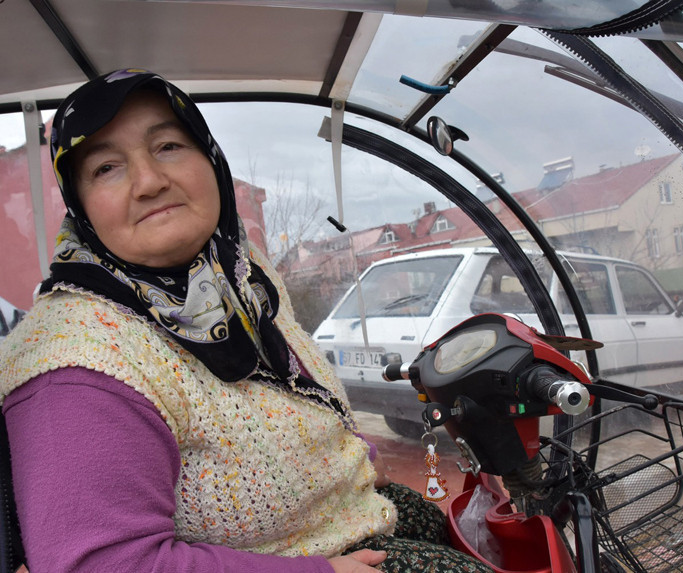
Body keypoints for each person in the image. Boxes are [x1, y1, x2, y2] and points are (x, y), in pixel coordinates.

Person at [0, 69, 492, 572]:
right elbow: (103, 565)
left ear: (211, 158)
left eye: (168, 146)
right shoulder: (76, 366)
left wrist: (348, 455)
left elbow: (283, 399)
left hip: (343, 515)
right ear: (80, 204)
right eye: (106, 167)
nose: (150, 182)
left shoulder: (238, 279)